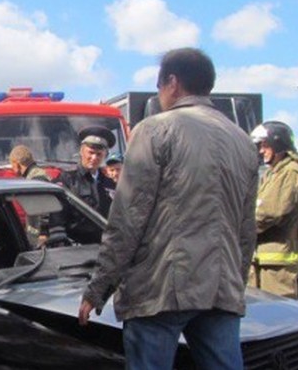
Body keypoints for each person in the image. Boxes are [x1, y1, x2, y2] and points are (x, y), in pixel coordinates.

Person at [79, 48, 259, 370]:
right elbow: (247, 229)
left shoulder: (154, 130)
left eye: (159, 86)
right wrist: (235, 283)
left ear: (172, 82)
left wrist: (99, 287)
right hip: (220, 290)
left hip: (160, 291)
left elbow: (128, 219)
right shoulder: (242, 141)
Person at [249, 121, 298, 298]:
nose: (261, 151)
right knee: (260, 315)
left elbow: (269, 212)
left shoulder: (290, 172)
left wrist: (240, 229)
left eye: (264, 145)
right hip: (265, 257)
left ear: (277, 144)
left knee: (278, 314)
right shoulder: (273, 173)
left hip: (278, 258)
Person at [54, 127, 117, 216]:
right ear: (81, 151)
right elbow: (57, 215)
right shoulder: (68, 179)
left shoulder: (109, 183)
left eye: (99, 154)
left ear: (105, 156)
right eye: (91, 152)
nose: (94, 158)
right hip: (75, 230)